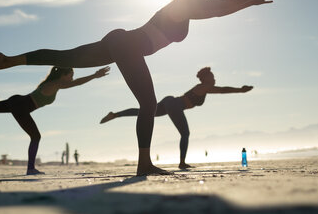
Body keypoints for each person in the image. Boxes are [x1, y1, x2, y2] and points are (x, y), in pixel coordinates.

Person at [0, 0, 284, 176]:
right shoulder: (183, 5)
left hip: (120, 41)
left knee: (65, 56)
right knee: (148, 104)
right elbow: (218, 7)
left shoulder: (186, 8)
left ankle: (8, 60)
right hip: (126, 45)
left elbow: (217, 7)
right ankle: (144, 164)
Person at [0, 66, 110, 175]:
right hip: (20, 105)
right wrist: (95, 75)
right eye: (71, 74)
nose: (72, 77)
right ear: (64, 75)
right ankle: (30, 169)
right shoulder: (56, 84)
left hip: (19, 103)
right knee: (35, 136)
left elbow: (74, 82)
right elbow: (77, 84)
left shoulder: (53, 83)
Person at [100, 67, 253, 169]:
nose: (214, 78)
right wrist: (240, 90)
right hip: (174, 105)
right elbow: (222, 90)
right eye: (211, 76)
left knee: (146, 112)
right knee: (185, 133)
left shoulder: (204, 88)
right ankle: (182, 163)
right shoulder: (205, 87)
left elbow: (219, 90)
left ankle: (116, 114)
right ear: (205, 79)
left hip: (171, 103)